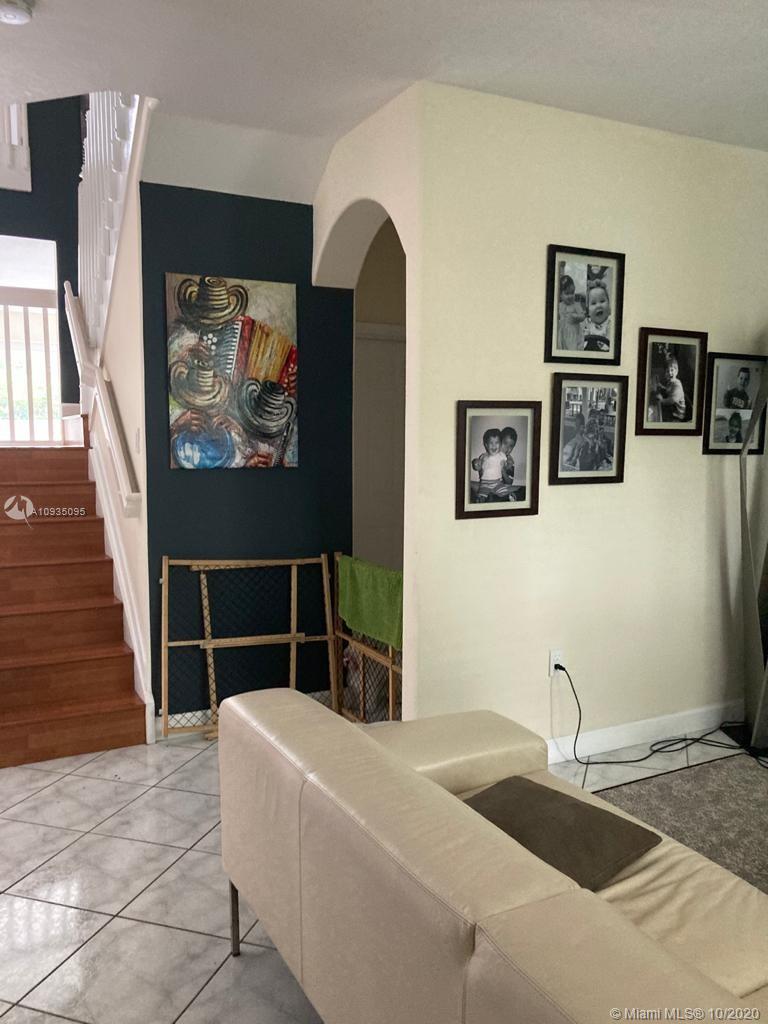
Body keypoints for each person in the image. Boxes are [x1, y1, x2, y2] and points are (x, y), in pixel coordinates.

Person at [471, 427, 515, 502]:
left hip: (499, 484)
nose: (507, 448)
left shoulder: (505, 458)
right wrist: (477, 466)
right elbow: (481, 473)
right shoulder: (484, 456)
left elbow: (509, 482)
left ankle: (503, 497)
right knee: (476, 489)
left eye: (511, 446)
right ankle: (484, 499)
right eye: (505, 443)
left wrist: (506, 467)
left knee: (508, 491)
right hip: (484, 483)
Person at [651, 355, 688, 422]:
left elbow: (671, 400)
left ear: (677, 371)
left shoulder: (677, 386)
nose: (670, 373)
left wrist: (662, 400)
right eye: (667, 371)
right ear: (665, 373)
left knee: (657, 415)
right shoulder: (670, 381)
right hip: (671, 406)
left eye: (672, 370)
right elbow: (669, 390)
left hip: (677, 414)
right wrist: (662, 387)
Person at [557, 275, 586, 351]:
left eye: (572, 293)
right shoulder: (559, 305)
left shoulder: (576, 305)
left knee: (573, 349)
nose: (570, 296)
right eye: (567, 293)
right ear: (560, 295)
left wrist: (576, 317)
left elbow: (583, 316)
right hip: (562, 333)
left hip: (574, 333)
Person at [582, 284, 611, 352]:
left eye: (602, 301)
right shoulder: (586, 324)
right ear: (588, 311)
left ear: (609, 305)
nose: (598, 305)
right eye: (593, 303)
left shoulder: (612, 323)